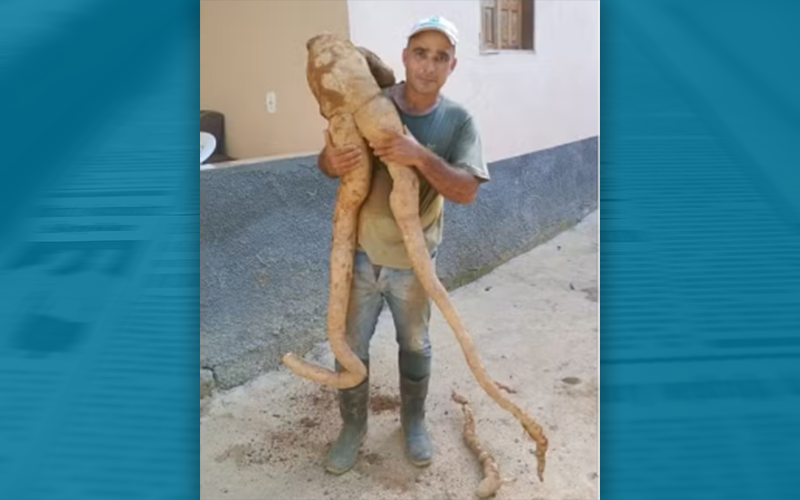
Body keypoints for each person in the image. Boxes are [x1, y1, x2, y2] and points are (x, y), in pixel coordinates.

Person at [316, 15, 491, 474]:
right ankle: (352, 428)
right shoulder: (370, 100)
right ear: (405, 57)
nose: (428, 66)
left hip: (413, 262)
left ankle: (413, 422)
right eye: (420, 54)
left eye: (440, 57)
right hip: (358, 256)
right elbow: (327, 162)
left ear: (452, 66)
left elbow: (466, 191)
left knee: (414, 343)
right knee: (349, 346)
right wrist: (330, 160)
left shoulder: (458, 121)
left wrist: (419, 156)